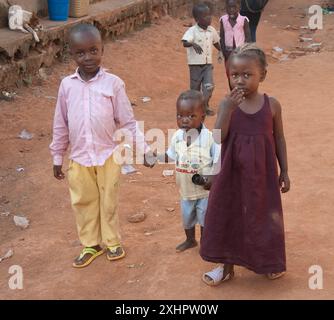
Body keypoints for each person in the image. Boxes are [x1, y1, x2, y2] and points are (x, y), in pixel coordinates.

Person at [49, 23, 154, 268]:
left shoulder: (114, 84)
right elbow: (60, 123)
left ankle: (112, 241)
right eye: (81, 52)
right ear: (71, 54)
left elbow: (128, 122)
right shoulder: (67, 86)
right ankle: (91, 244)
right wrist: (57, 157)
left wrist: (145, 150)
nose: (88, 57)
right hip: (79, 157)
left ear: (102, 49)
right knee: (83, 201)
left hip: (109, 155)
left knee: (108, 201)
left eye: (93, 50)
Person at [200, 43, 290, 285]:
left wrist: (285, 171)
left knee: (263, 216)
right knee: (228, 215)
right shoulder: (226, 105)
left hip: (262, 176)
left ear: (263, 75)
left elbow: (279, 138)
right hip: (231, 174)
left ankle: (268, 262)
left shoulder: (272, 105)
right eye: (234, 75)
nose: (239, 81)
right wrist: (226, 110)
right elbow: (217, 138)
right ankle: (225, 266)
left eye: (247, 75)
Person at [163, 90, 221, 252]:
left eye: (190, 116)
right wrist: (156, 158)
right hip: (185, 190)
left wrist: (212, 178)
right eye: (180, 116)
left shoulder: (210, 138)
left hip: (204, 191)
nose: (184, 120)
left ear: (202, 117)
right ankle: (190, 240)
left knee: (204, 219)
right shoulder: (177, 137)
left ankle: (205, 243)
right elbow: (171, 155)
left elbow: (218, 160)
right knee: (187, 217)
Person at [182, 3, 223, 116]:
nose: (209, 17)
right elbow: (185, 42)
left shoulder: (211, 30)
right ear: (197, 19)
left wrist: (221, 51)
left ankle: (204, 106)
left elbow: (216, 42)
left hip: (207, 65)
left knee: (209, 87)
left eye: (209, 15)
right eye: (205, 16)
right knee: (195, 89)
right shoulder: (192, 31)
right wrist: (193, 44)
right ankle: (194, 108)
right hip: (195, 65)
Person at [220, 0, 251, 89]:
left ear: (239, 7)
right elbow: (221, 37)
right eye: (229, 7)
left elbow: (248, 37)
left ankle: (242, 93)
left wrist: (246, 51)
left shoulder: (244, 20)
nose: (231, 10)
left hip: (241, 52)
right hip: (228, 53)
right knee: (230, 74)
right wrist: (224, 51)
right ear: (226, 8)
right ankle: (233, 93)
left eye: (234, 7)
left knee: (242, 73)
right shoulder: (223, 20)